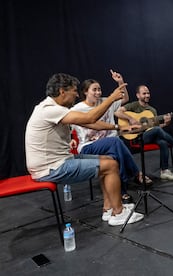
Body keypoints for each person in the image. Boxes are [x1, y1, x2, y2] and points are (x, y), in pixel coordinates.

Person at [25, 73, 144, 226]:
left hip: (58, 161)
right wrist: (111, 98)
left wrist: (119, 127)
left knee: (108, 160)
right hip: (51, 168)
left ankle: (109, 209)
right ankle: (119, 213)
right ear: (62, 91)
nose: (76, 94)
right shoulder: (49, 109)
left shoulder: (54, 108)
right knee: (111, 166)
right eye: (74, 91)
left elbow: (90, 124)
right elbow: (90, 119)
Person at [71, 70, 151, 204]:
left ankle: (122, 192)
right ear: (85, 92)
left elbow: (124, 98)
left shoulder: (105, 101)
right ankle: (136, 174)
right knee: (116, 141)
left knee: (115, 154)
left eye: (99, 89)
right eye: (94, 90)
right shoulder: (77, 109)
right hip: (89, 147)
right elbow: (67, 126)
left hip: (111, 145)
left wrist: (120, 81)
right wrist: (71, 139)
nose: (98, 93)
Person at [115, 85, 173, 181]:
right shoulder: (134, 105)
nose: (147, 95)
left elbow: (154, 128)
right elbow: (117, 112)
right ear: (138, 95)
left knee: (163, 142)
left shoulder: (152, 110)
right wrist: (131, 119)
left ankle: (164, 171)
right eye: (144, 93)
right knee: (157, 131)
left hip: (149, 136)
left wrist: (165, 124)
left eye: (148, 93)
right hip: (137, 137)